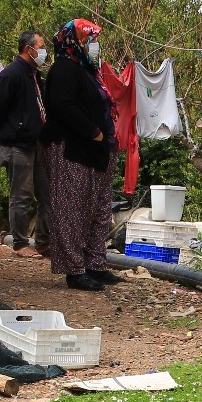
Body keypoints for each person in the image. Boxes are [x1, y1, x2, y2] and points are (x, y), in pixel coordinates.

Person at [42, 19, 120, 292]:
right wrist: (92, 132)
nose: (94, 46)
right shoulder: (64, 69)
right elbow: (63, 106)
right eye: (90, 40)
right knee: (72, 209)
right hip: (73, 149)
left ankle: (95, 265)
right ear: (75, 41)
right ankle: (75, 270)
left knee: (99, 209)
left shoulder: (87, 70)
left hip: (98, 151)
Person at [0, 31, 53, 259]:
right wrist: (3, 133)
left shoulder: (34, 76)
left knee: (48, 194)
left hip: (37, 145)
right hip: (18, 145)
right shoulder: (12, 74)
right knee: (21, 196)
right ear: (28, 48)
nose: (44, 51)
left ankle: (44, 241)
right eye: (41, 46)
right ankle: (21, 243)